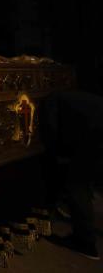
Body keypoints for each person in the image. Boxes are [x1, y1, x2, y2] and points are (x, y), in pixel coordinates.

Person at [42, 90, 103, 260]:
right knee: (85, 182)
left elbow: (51, 130)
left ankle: (85, 243)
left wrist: (55, 153)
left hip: (95, 136)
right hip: (95, 133)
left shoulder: (51, 100)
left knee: (77, 186)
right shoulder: (68, 97)